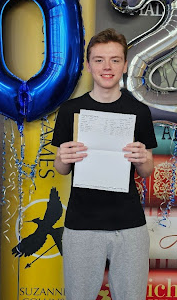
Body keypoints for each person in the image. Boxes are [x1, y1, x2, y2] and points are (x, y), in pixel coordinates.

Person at [52, 28, 157, 300]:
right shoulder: (70, 110)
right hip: (82, 223)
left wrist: (143, 158)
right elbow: (61, 168)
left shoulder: (139, 111)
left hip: (129, 225)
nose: (106, 67)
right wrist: (63, 158)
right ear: (88, 65)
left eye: (114, 60)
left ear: (124, 65)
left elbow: (146, 171)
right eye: (99, 60)